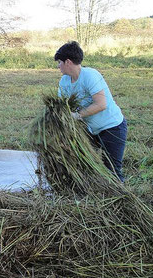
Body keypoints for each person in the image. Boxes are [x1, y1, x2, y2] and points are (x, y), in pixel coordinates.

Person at [54, 41, 127, 182]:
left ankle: (119, 196)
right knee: (81, 161)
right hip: (90, 130)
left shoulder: (90, 76)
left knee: (111, 169)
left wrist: (77, 115)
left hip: (112, 127)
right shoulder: (64, 81)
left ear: (68, 62)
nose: (58, 66)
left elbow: (101, 104)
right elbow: (61, 106)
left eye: (59, 62)